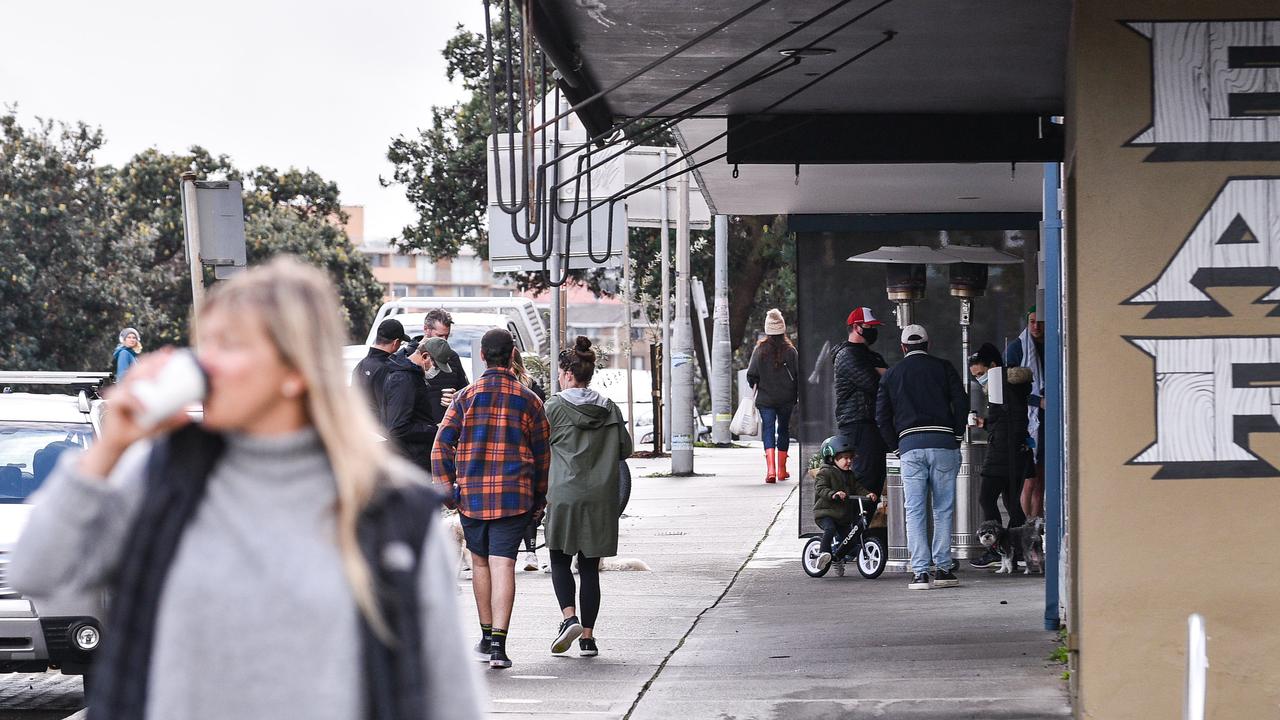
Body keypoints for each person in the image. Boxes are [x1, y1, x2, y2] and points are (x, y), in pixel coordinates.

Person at [10, 257, 483, 720]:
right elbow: (37, 570)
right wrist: (110, 446)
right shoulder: (164, 477)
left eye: (230, 346)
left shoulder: (393, 512)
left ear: (294, 372)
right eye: (205, 346)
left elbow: (448, 699)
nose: (206, 367)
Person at [432, 328, 550, 671]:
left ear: (482, 355)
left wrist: (449, 491)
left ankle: (485, 638)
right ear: (512, 354)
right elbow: (543, 455)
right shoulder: (530, 400)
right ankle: (499, 644)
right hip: (515, 497)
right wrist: (538, 497)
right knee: (504, 565)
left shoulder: (465, 398)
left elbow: (441, 444)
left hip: (472, 496)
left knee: (480, 564)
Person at [543, 336, 632, 658]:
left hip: (564, 495)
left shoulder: (552, 407)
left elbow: (538, 447)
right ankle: (589, 639)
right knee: (590, 567)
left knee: (559, 559)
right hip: (601, 496)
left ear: (567, 373)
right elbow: (626, 449)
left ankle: (569, 619)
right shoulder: (610, 408)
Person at [875, 323, 968, 590]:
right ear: (928, 345)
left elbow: (881, 416)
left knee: (914, 511)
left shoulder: (891, 375)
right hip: (943, 443)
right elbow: (961, 402)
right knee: (942, 509)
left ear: (903, 347)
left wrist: (896, 446)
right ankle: (942, 568)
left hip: (910, 446)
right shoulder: (944, 367)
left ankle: (920, 573)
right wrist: (957, 435)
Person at [966, 344, 1031, 570]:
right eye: (975, 377)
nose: (979, 380)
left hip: (1003, 455)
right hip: (1013, 453)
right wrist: (988, 424)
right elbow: (1008, 420)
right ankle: (1015, 548)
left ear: (993, 367)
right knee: (1012, 503)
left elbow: (1010, 422)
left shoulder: (1003, 387)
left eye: (981, 374)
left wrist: (995, 431)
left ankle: (996, 546)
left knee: (988, 498)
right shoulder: (1007, 386)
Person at [832, 307, 890, 495]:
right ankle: (855, 523)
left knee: (875, 477)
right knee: (864, 478)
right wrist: (879, 373)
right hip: (857, 424)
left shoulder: (869, 355)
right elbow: (875, 382)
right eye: (869, 326)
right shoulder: (847, 355)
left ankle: (863, 521)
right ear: (856, 327)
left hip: (873, 424)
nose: (873, 330)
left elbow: (889, 380)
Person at [812, 434, 877, 576]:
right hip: (826, 513)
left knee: (850, 541)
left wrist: (867, 494)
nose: (849, 461)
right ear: (832, 457)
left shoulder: (849, 475)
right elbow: (821, 488)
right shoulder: (825, 472)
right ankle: (823, 553)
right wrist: (833, 494)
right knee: (829, 529)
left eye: (851, 458)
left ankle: (837, 558)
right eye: (845, 458)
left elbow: (857, 487)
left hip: (842, 516)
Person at [746, 309, 798, 483]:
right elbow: (798, 375)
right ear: (782, 330)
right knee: (783, 429)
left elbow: (752, 374)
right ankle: (782, 470)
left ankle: (771, 470)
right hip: (786, 398)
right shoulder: (791, 351)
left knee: (768, 429)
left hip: (766, 399)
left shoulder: (759, 350)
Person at [511, 346, 548, 572]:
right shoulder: (532, 387)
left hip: (506, 455)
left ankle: (510, 553)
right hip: (529, 454)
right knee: (529, 507)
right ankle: (531, 553)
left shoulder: (492, 388)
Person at [1006, 307, 1046, 519]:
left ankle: (1038, 527)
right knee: (1029, 479)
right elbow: (1010, 389)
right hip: (1028, 422)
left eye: (1039, 322)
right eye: (1032, 321)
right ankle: (1026, 525)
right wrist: (1037, 401)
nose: (1036, 327)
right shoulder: (1017, 348)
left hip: (1048, 420)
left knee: (1042, 479)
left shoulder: (1053, 345)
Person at [380, 340, 439, 472]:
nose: (436, 370)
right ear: (425, 357)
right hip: (411, 459)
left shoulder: (411, 375)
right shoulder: (404, 379)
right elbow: (398, 427)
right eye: (436, 365)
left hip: (413, 456)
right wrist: (432, 429)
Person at [351, 318, 410, 414]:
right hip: (378, 427)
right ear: (395, 343)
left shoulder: (361, 365)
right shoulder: (388, 369)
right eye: (400, 343)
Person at [423, 307, 470, 386]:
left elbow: (464, 390)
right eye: (440, 335)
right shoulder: (411, 357)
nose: (444, 340)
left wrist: (455, 397)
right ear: (426, 329)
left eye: (447, 335)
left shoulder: (452, 357)